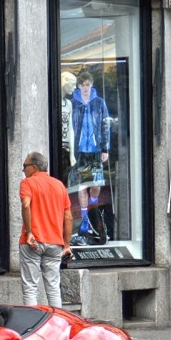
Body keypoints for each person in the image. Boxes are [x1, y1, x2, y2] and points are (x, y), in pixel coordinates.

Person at [19, 151, 73, 307]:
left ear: (34, 167)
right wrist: (67, 244)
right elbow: (68, 217)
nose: (24, 170)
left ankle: (32, 326)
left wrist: (29, 233)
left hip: (33, 241)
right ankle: (58, 325)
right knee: (53, 288)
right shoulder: (59, 185)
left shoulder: (27, 183)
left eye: (25, 166)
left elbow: (26, 204)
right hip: (55, 242)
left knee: (30, 287)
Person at [70, 70, 112, 238]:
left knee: (96, 184)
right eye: (83, 84)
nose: (85, 87)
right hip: (80, 150)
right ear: (79, 86)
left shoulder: (99, 103)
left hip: (95, 150)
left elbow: (105, 125)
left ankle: (93, 212)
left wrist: (105, 148)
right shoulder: (73, 103)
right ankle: (85, 219)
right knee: (82, 186)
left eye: (88, 84)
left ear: (91, 84)